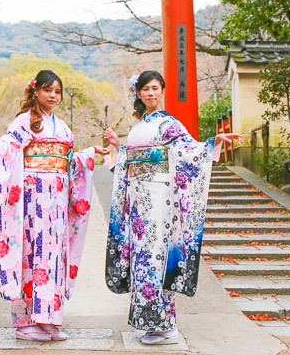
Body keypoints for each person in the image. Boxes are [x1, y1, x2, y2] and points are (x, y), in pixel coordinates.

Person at [0, 70, 109, 342]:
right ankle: (25, 321)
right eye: (47, 91)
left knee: (54, 254)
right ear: (35, 92)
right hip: (31, 197)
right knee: (30, 253)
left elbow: (66, 159)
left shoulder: (63, 126)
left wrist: (89, 154)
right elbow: (5, 150)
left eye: (57, 92)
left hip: (56, 200)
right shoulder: (24, 122)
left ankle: (49, 318)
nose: (53, 96)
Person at [101, 70, 242, 346]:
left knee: (156, 257)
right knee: (141, 258)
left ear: (162, 90)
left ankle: (166, 325)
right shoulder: (139, 126)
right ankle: (152, 324)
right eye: (145, 89)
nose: (151, 93)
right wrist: (118, 147)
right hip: (138, 201)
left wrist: (212, 143)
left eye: (155, 88)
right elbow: (130, 161)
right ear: (138, 94)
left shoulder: (168, 124)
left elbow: (190, 151)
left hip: (159, 199)